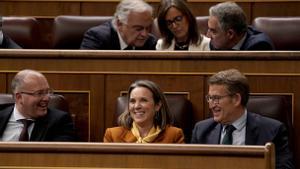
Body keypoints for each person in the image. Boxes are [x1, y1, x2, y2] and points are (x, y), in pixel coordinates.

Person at [191, 69, 294, 169]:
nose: (211, 105)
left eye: (216, 98)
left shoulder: (272, 130)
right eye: (210, 98)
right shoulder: (201, 130)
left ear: (236, 99)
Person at [0, 69, 77, 141]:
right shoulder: (2, 115)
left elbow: (61, 154)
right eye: (39, 93)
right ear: (19, 97)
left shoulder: (60, 122)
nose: (46, 98)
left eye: (47, 92)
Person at [104, 80, 184, 143]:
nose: (136, 106)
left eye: (143, 100)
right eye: (132, 101)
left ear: (157, 105)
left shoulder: (174, 135)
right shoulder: (112, 135)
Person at [80, 0, 157, 50]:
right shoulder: (98, 38)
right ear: (119, 23)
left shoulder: (150, 42)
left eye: (148, 28)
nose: (144, 34)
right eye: (138, 29)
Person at [206, 2, 274, 50]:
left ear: (230, 34)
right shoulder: (215, 44)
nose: (208, 36)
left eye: (213, 31)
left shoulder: (259, 46)